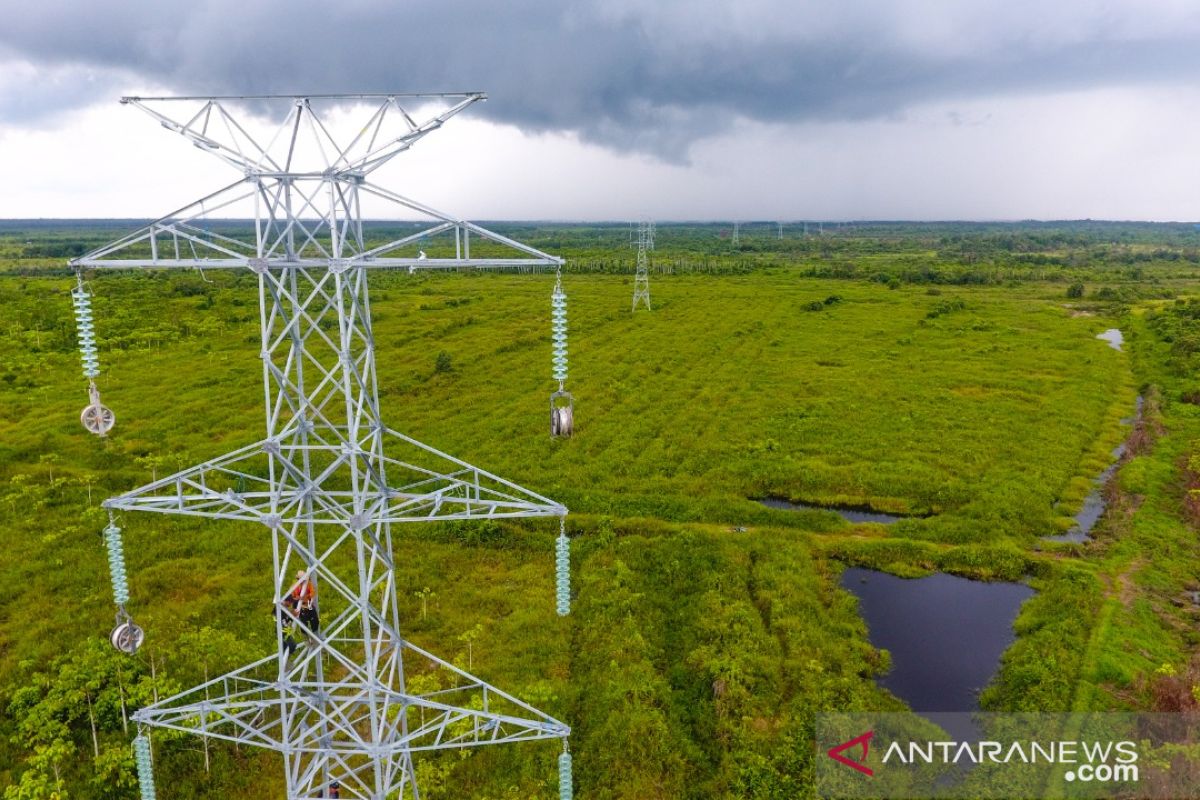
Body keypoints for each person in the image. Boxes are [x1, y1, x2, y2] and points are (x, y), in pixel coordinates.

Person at [290, 569, 320, 636]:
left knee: (314, 618)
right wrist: (298, 598)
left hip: (308, 603)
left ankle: (315, 632)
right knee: (303, 622)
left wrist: (305, 597)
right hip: (299, 605)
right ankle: (306, 635)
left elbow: (312, 593)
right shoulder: (295, 586)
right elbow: (292, 596)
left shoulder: (308, 584)